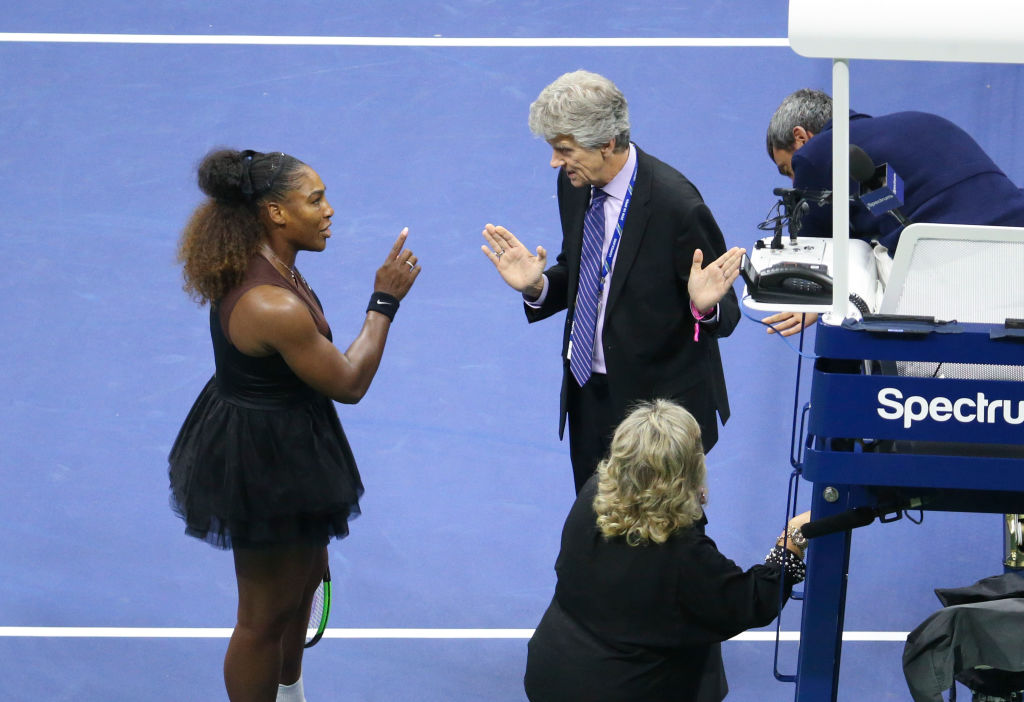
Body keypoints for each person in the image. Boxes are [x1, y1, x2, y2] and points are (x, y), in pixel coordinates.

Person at [168, 148, 420, 702]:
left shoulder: (267, 263)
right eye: (315, 199)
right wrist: (384, 300)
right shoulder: (269, 304)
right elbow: (349, 382)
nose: (329, 210)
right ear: (277, 213)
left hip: (287, 438)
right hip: (263, 462)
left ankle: (290, 694)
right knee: (262, 620)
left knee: (300, 586)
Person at [482, 70, 744, 493]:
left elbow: (724, 311)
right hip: (588, 395)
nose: (554, 161)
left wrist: (703, 306)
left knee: (662, 541)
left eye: (563, 149)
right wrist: (538, 287)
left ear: (606, 143)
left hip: (656, 416)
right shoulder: (576, 183)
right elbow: (585, 270)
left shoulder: (677, 206)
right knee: (595, 537)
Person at [524, 399, 811, 702]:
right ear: (686, 472)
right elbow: (751, 600)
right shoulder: (682, 555)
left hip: (551, 672)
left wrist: (689, 499)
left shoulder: (592, 495)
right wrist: (792, 541)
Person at [762, 87, 1024, 336]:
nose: (795, 181)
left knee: (861, 277)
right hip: (1015, 246)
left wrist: (809, 298)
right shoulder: (920, 120)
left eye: (789, 170)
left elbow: (818, 250)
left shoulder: (816, 152)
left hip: (955, 268)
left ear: (800, 137)